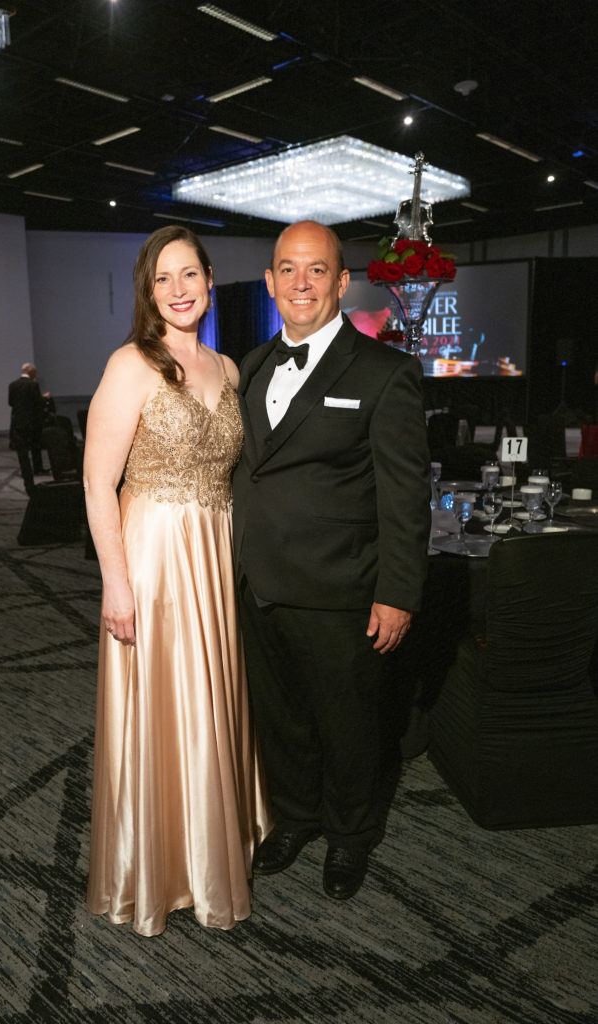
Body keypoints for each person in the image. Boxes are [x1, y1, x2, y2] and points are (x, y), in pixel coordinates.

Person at [232, 220, 431, 901]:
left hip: (341, 588)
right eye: (288, 269)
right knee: (280, 718)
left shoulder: (385, 372)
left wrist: (398, 592)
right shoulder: (251, 365)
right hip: (257, 582)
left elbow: (405, 497)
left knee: (349, 727)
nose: (301, 283)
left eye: (316, 270)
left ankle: (350, 834)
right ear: (270, 281)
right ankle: (296, 816)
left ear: (342, 282)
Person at [84, 225, 269, 937]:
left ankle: (208, 853)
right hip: (154, 558)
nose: (178, 289)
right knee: (164, 704)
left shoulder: (228, 368)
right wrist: (116, 582)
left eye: (189, 273)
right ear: (149, 290)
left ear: (210, 279)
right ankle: (158, 868)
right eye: (163, 278)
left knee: (209, 697)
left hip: (213, 555)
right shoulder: (131, 363)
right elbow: (98, 484)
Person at [8, 362, 47, 473]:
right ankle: (38, 468)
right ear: (31, 371)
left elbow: (10, 402)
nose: (36, 375)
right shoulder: (33, 385)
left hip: (18, 421)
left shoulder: (12, 385)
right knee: (35, 446)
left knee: (22, 449)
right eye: (35, 372)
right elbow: (37, 403)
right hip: (32, 421)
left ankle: (25, 470)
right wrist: (44, 398)